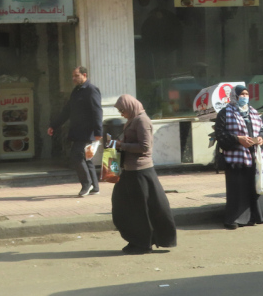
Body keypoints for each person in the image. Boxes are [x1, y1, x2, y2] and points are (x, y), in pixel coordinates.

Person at [110, 94, 177, 255]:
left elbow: (145, 147)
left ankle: (144, 243)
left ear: (130, 106)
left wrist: (121, 145)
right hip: (129, 171)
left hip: (140, 172)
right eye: (119, 111)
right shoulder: (133, 120)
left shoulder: (142, 120)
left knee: (140, 211)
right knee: (124, 207)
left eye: (122, 110)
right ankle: (136, 240)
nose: (121, 114)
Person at [214, 84, 263, 229]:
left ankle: (253, 217)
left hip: (254, 156)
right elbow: (220, 134)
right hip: (236, 159)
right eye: (242, 94)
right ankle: (234, 219)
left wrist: (261, 138)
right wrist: (238, 139)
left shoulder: (253, 112)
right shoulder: (225, 113)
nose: (244, 97)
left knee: (253, 187)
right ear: (235, 96)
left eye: (246, 94)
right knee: (238, 190)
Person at [47, 66, 103, 197]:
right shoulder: (76, 91)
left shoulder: (91, 90)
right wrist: (54, 125)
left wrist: (98, 132)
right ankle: (95, 187)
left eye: (76, 75)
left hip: (87, 132)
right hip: (78, 131)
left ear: (84, 75)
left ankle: (87, 184)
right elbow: (67, 111)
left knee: (77, 157)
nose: (73, 78)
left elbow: (97, 111)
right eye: (72, 76)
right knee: (86, 158)